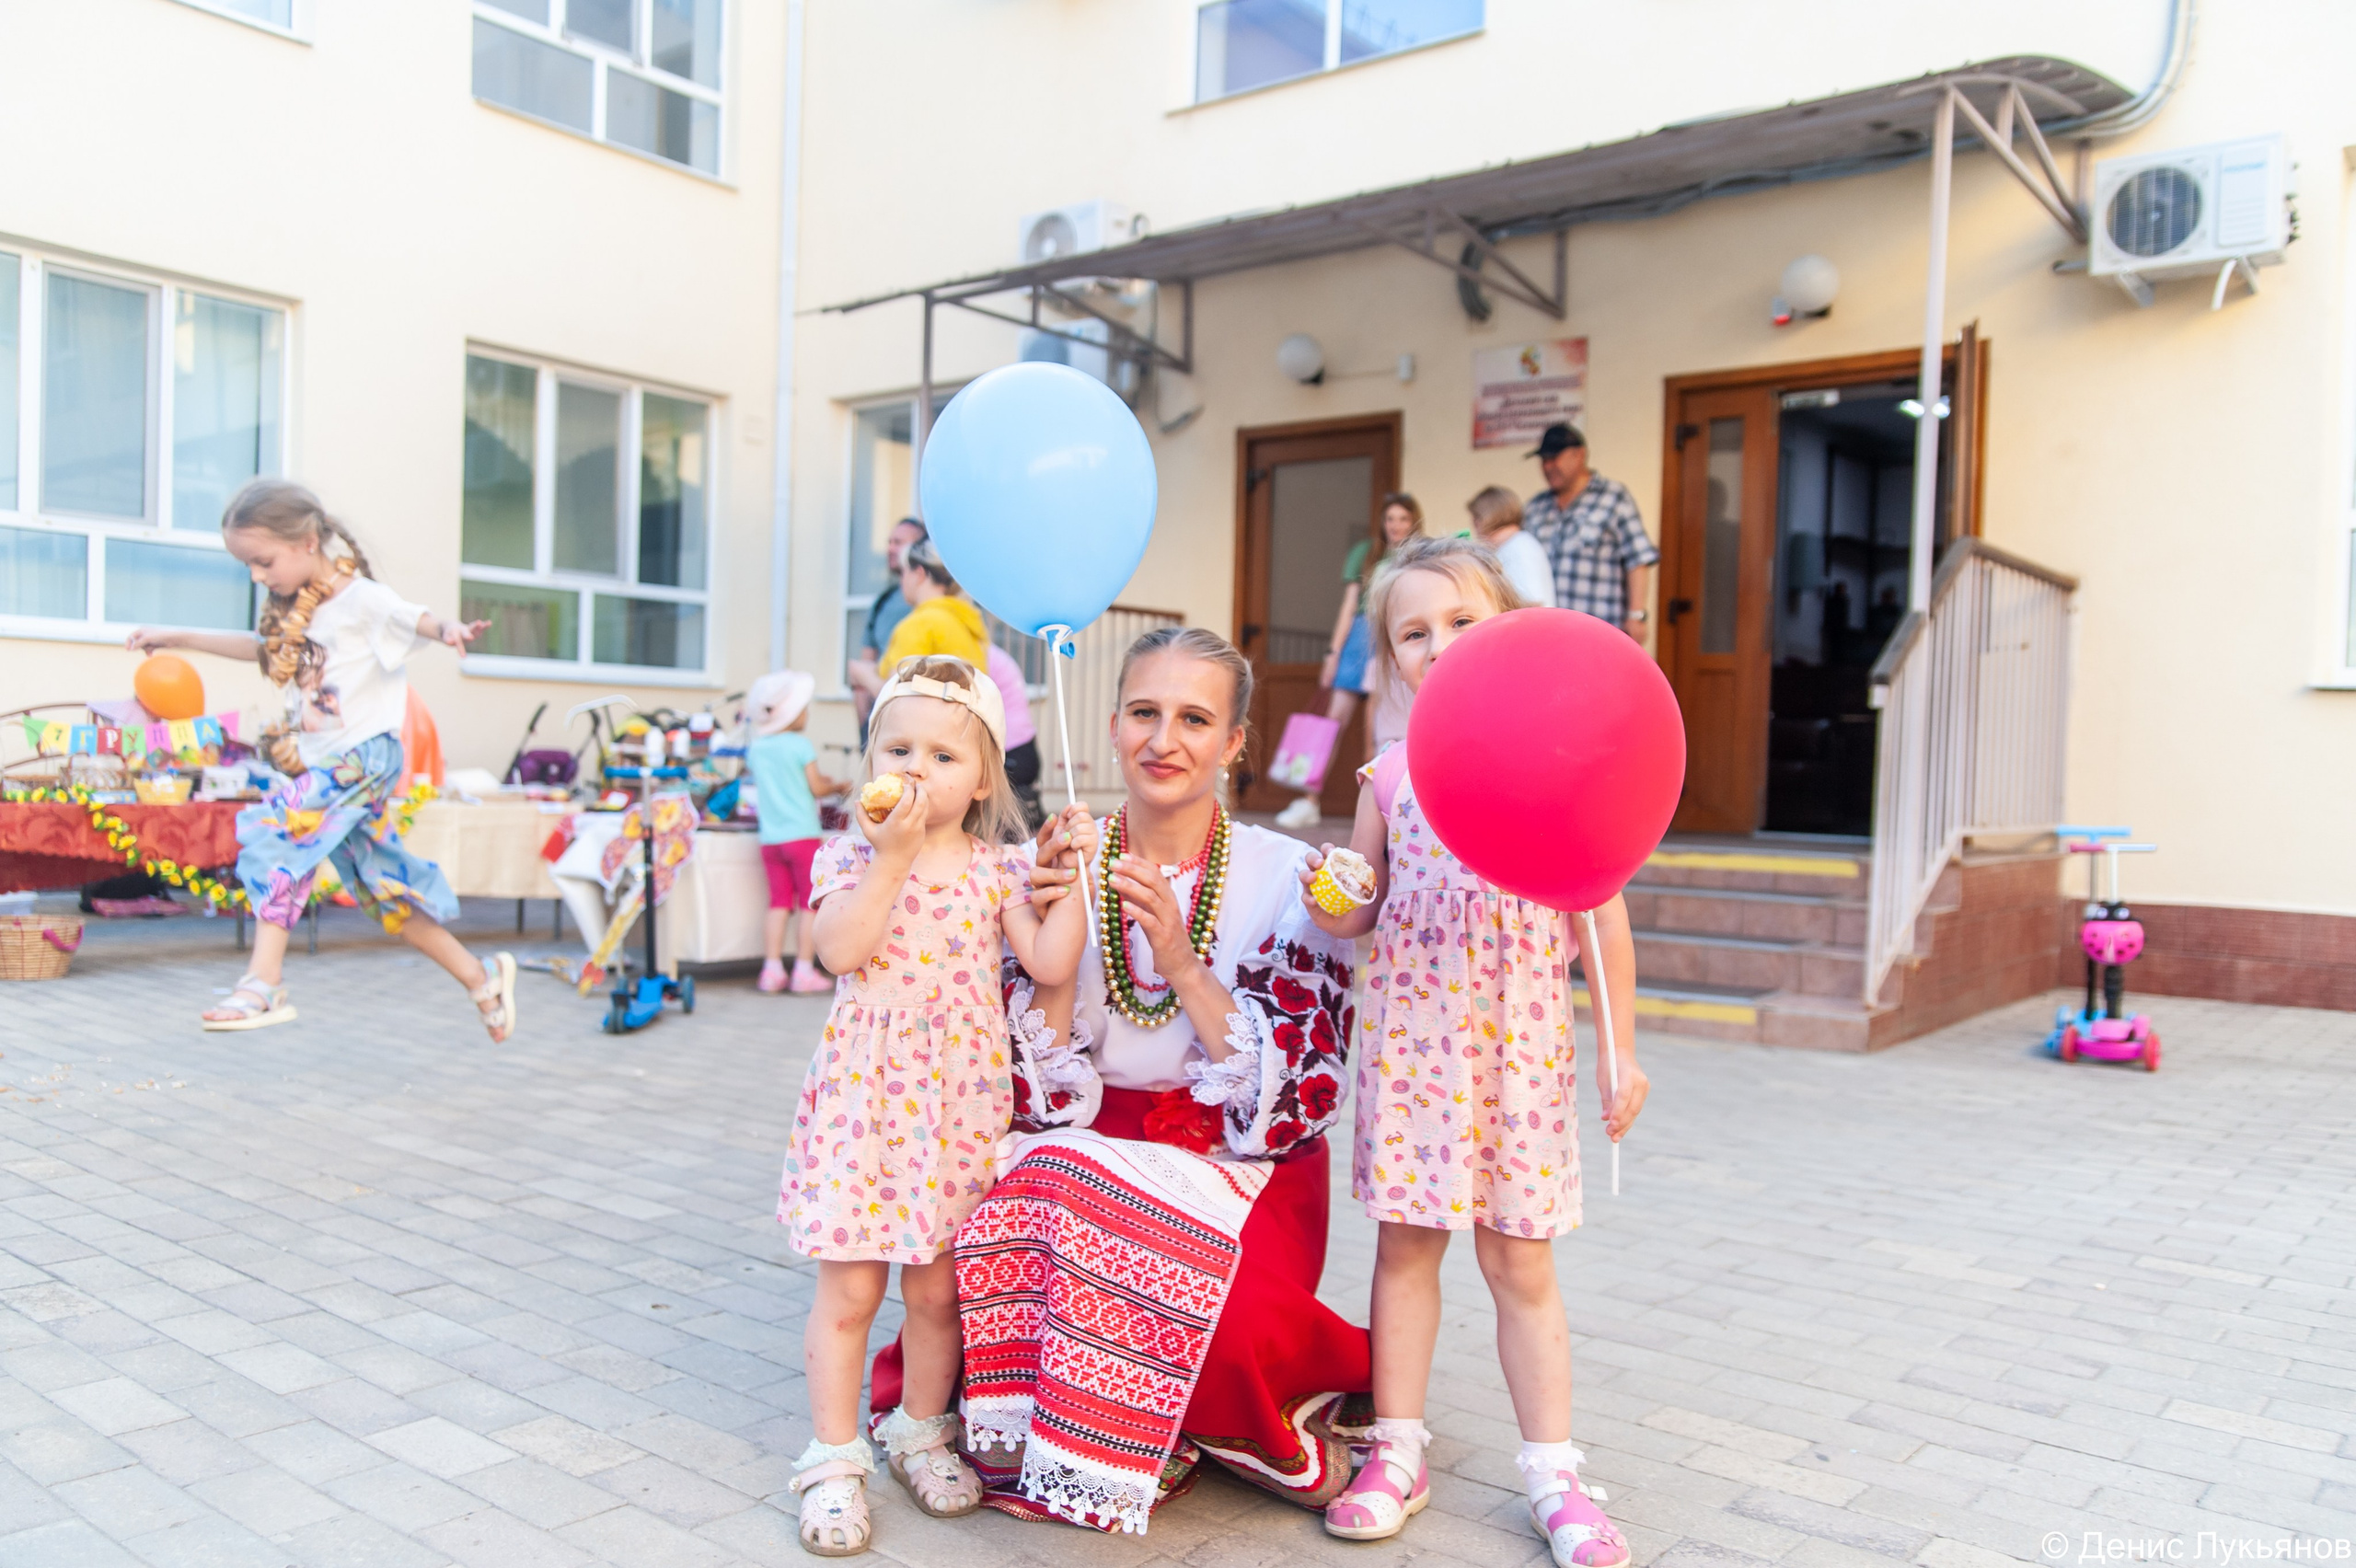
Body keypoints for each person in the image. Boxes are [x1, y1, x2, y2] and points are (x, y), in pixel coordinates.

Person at [895, 626, 1371, 1537]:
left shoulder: (1285, 875)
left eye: (1195, 719)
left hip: (1237, 1159)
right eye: (1145, 713)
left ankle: (1194, 1429)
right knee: (1002, 1238)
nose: (1165, 740)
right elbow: (1028, 1083)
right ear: (1111, 725)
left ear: (1234, 743)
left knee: (1215, 1332)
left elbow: (1300, 1098)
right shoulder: (1066, 859)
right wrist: (1051, 943)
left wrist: (1185, 967)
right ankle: (1144, 1432)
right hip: (1087, 1143)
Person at [1300, 536, 1648, 1566]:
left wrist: (1621, 1051)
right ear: (1392, 657)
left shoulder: (1557, 765)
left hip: (1519, 1059)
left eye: (1462, 622)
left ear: (1509, 631)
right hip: (1414, 1052)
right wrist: (1335, 896)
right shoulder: (1390, 776)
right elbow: (1358, 908)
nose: (1439, 645)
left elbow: (1603, 917)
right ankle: (1395, 1447)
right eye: (1415, 632)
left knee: (1518, 1259)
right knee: (1406, 1247)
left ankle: (1553, 1470)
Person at [780, 656, 1096, 1557]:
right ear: (872, 755)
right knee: (848, 1289)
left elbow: (1047, 963)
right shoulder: (849, 855)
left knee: (936, 1292)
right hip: (867, 1105)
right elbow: (839, 951)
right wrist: (890, 859)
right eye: (898, 747)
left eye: (943, 755)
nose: (918, 769)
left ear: (984, 776)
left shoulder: (999, 868)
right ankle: (834, 1455)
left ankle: (918, 1428)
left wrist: (1066, 875)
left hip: (958, 1103)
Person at [124, 479, 515, 1042]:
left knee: (274, 830)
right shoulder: (299, 612)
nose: (259, 577)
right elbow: (261, 651)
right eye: (249, 568)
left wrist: (448, 629)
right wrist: (179, 635)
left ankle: (264, 981)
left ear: (308, 541)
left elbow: (413, 618)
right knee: (381, 892)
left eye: (263, 562)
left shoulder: (362, 600)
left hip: (363, 758)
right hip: (329, 768)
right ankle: (482, 980)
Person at [1275, 492, 1426, 831]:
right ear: (1382, 523)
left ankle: (1382, 807)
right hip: (1359, 638)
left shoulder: (1420, 556)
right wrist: (1333, 653)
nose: (1396, 526)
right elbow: (1348, 607)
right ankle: (1308, 801)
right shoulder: (1365, 554)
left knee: (1381, 725)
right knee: (1333, 723)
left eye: (1403, 519)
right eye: (1390, 519)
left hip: (1393, 637)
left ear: (1413, 522)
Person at [743, 669, 844, 996]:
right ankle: (803, 969)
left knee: (778, 904)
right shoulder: (801, 745)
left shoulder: (757, 749)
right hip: (802, 835)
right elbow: (816, 787)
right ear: (792, 714)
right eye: (803, 709)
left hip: (770, 839)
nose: (807, 714)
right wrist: (838, 785)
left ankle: (771, 970)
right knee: (808, 905)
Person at [1522, 423, 1658, 638]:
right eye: (1544, 460)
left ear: (1579, 455)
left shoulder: (1613, 497)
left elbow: (1638, 558)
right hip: (1547, 633)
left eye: (1554, 458)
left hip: (1598, 631)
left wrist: (1637, 615)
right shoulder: (1535, 507)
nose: (1548, 467)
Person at [847, 538, 987, 709]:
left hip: (926, 731)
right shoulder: (967, 621)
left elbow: (898, 696)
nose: (902, 582)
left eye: (903, 572)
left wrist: (864, 675)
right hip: (962, 730)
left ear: (919, 574)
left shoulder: (919, 625)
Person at [853, 517, 928, 735]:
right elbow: (866, 662)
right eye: (889, 542)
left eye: (898, 542)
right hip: (882, 718)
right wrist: (864, 729)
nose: (891, 549)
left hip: (918, 718)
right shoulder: (882, 602)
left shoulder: (934, 605)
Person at [981, 642, 1044, 827]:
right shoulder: (990, 653)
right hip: (1023, 743)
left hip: (1010, 745)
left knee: (1006, 825)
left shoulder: (975, 655)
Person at [1469, 484, 1556, 606]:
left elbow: (1534, 603)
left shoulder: (1518, 549)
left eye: (1475, 519)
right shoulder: (1514, 545)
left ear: (1484, 519)